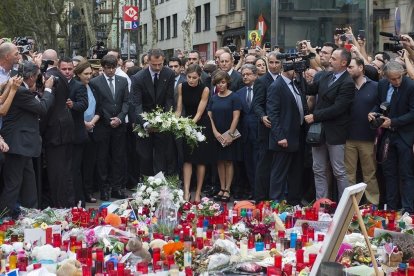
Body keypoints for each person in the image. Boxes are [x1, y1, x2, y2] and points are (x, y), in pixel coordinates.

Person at [0, 62, 53, 218]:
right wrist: (48, 89)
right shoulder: (20, 91)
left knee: (29, 183)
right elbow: (42, 109)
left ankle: (32, 215)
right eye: (36, 77)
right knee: (13, 185)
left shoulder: (20, 88)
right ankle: (4, 219)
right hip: (16, 144)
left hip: (23, 144)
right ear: (31, 77)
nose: (37, 80)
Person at [305, 48, 355, 200]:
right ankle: (322, 203)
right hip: (318, 131)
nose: (330, 60)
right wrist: (300, 77)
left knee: (339, 171)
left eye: (334, 58)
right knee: (318, 169)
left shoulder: (348, 82)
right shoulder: (325, 76)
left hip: (335, 132)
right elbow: (311, 89)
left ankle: (344, 205)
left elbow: (338, 108)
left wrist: (315, 116)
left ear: (343, 62)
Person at [368, 61, 414, 213]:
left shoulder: (410, 85)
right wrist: (373, 113)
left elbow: (413, 113)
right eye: (393, 79)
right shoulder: (381, 85)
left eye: (399, 77)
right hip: (386, 136)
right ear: (386, 77)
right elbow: (379, 104)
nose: (397, 81)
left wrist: (392, 122)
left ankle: (408, 209)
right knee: (389, 173)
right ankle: (391, 208)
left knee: (406, 173)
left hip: (404, 136)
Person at [267, 62, 308, 205]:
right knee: (279, 172)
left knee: (295, 171)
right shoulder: (276, 86)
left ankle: (294, 201)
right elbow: (273, 114)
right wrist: (280, 137)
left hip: (297, 135)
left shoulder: (295, 84)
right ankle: (276, 202)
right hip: (283, 138)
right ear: (288, 70)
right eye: (295, 70)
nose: (297, 72)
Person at [89, 54, 129, 201]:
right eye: (108, 68)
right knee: (103, 158)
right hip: (102, 126)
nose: (111, 71)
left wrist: (120, 117)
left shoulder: (123, 81)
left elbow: (126, 102)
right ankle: (104, 188)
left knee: (118, 157)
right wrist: (108, 119)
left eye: (113, 68)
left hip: (119, 125)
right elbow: (97, 105)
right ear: (103, 67)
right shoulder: (95, 82)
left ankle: (117, 188)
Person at [130, 48, 175, 176]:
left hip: (162, 121)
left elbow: (169, 99)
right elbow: (137, 104)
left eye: (160, 64)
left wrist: (164, 120)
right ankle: (146, 185)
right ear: (148, 61)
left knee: (162, 156)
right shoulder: (138, 78)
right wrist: (145, 124)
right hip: (144, 121)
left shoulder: (169, 74)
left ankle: (160, 185)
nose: (157, 67)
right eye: (154, 64)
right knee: (145, 157)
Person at [41, 49, 75, 208]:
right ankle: (67, 203)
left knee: (57, 172)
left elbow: (47, 107)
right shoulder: (60, 76)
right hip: (64, 128)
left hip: (55, 131)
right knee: (65, 170)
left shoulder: (51, 77)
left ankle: (60, 205)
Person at [176, 64, 213, 203]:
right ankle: (186, 192)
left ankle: (198, 193)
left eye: (194, 78)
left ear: (199, 77)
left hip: (201, 124)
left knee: (200, 160)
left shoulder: (205, 89)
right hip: (187, 122)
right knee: (187, 159)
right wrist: (176, 122)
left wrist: (190, 125)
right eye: (189, 77)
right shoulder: (181, 86)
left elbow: (200, 111)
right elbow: (179, 108)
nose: (191, 80)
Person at [346, 57, 380, 205]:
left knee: (369, 174)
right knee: (348, 175)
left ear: (361, 68)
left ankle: (372, 206)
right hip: (348, 137)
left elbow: (381, 105)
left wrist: (374, 112)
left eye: (351, 67)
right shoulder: (345, 86)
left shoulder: (376, 86)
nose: (348, 69)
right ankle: (349, 207)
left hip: (368, 137)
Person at [208, 70, 242, 202]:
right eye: (218, 83)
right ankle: (221, 188)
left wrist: (230, 135)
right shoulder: (214, 97)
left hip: (229, 133)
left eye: (222, 82)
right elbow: (209, 116)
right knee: (219, 161)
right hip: (216, 134)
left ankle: (227, 189)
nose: (220, 85)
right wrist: (215, 133)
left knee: (229, 161)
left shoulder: (234, 97)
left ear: (227, 82)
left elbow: (236, 117)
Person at [58, 57, 89, 206]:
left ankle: (79, 201)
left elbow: (84, 104)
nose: (67, 72)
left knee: (75, 170)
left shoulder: (78, 86)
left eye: (70, 69)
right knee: (64, 170)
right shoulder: (54, 83)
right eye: (64, 69)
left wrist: (73, 105)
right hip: (60, 136)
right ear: (59, 69)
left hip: (76, 135)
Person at [252, 52, 282, 201]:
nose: (274, 65)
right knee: (264, 163)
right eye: (271, 62)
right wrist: (262, 116)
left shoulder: (285, 78)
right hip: (266, 128)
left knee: (278, 165)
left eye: (277, 62)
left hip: (281, 128)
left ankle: (276, 196)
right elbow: (256, 104)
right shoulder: (262, 81)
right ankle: (261, 197)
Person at [74, 61, 101, 204]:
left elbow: (99, 108)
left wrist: (92, 122)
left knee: (90, 164)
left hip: (92, 129)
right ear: (78, 74)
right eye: (86, 74)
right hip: (79, 130)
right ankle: (79, 194)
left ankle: (88, 191)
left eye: (90, 73)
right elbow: (73, 109)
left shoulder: (93, 87)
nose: (89, 76)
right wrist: (84, 124)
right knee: (79, 164)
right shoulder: (74, 87)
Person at [235, 64, 260, 199]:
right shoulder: (239, 93)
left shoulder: (262, 90)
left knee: (258, 165)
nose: (245, 76)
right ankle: (253, 191)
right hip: (244, 135)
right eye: (243, 74)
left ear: (255, 75)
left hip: (259, 133)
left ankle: (259, 193)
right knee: (249, 165)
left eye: (248, 74)